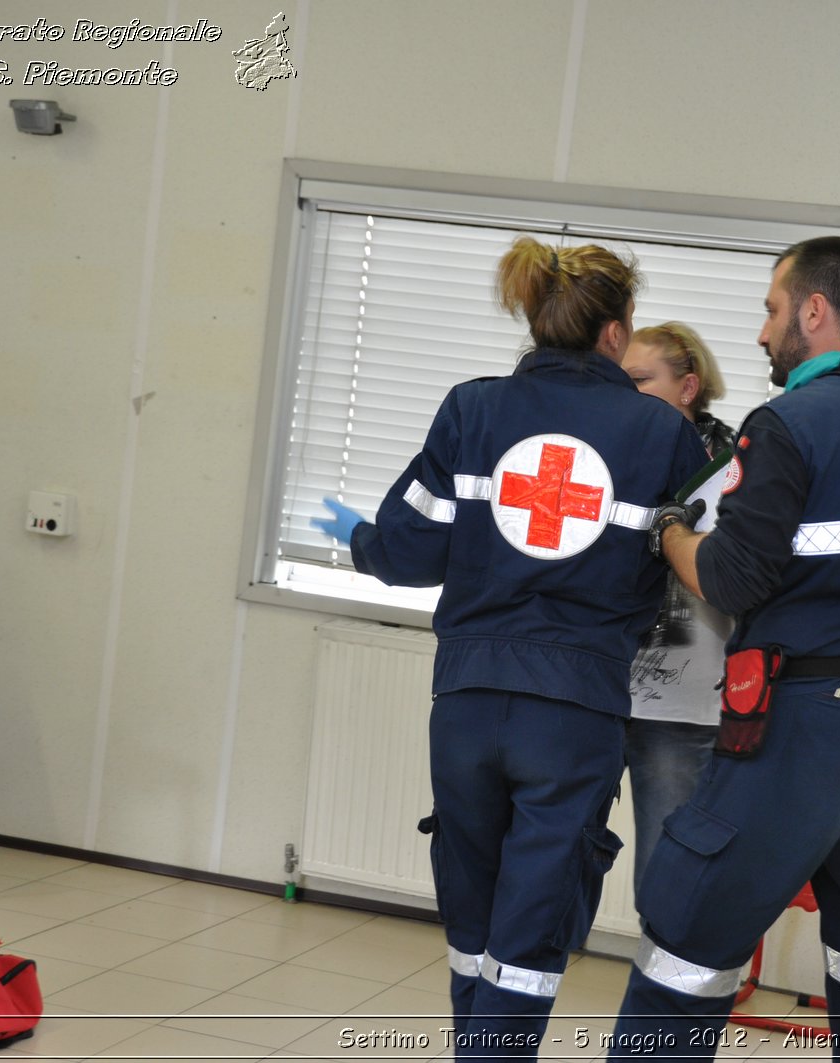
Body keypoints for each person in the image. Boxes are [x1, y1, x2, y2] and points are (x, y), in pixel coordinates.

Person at [313, 236, 708, 1057]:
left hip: (464, 702)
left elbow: (410, 550)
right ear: (614, 330)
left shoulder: (471, 408)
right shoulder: (660, 434)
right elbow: (691, 571)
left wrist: (360, 541)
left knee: (472, 903)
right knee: (535, 917)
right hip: (574, 712)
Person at [609, 236, 840, 1060]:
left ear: (814, 311)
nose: (762, 333)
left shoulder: (787, 424)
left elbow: (732, 578)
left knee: (686, 937)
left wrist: (671, 529)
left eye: (772, 310)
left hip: (804, 728)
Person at [620, 323, 737, 895]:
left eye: (641, 380)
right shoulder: (610, 451)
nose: (625, 394)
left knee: (666, 878)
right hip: (597, 685)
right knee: (557, 858)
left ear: (688, 388)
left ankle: (664, 986)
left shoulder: (738, 468)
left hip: (682, 705)